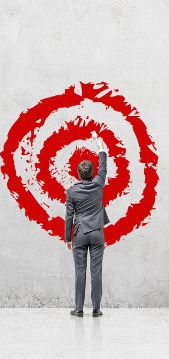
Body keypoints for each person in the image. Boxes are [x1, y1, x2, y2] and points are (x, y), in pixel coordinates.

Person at [65, 131, 110, 318]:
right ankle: (97, 309)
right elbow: (104, 166)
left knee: (80, 272)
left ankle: (79, 309)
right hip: (97, 233)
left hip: (80, 233)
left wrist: (68, 238)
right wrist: (100, 147)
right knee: (96, 272)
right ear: (92, 173)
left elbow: (69, 216)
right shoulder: (99, 184)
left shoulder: (72, 192)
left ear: (78, 174)